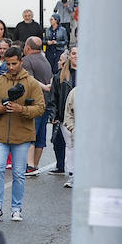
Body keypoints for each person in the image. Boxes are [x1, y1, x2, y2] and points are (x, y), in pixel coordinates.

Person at [0, 47, 45, 222]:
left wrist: (21, 109)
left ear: (21, 62)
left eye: (14, 63)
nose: (10, 67)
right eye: (7, 64)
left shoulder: (31, 83)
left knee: (18, 173)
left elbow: (40, 108)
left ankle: (16, 209)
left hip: (22, 136)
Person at [21, 37, 55, 174]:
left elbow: (30, 79)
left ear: (28, 47)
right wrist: (48, 88)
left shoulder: (27, 60)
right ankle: (35, 165)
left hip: (34, 102)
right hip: (46, 102)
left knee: (31, 133)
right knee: (41, 135)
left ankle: (29, 165)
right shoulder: (44, 59)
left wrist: (45, 88)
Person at [52, 49, 77, 179]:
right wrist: (54, 115)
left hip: (86, 116)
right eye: (73, 54)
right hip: (66, 116)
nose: (76, 56)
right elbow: (54, 97)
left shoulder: (90, 74)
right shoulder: (60, 76)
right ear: (69, 57)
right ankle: (72, 174)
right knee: (70, 144)